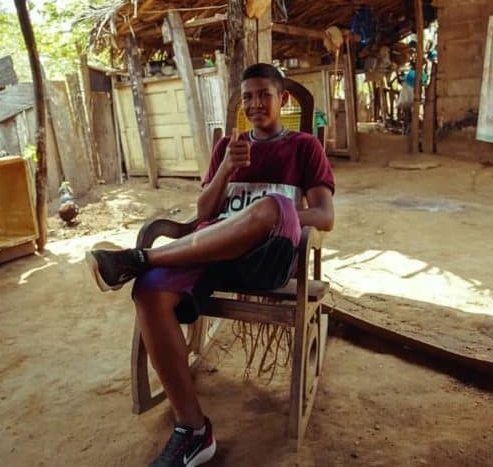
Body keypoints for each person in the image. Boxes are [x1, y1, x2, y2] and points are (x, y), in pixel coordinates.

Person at [87, 63, 335, 467]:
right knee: (148, 291)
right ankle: (194, 430)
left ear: (283, 99)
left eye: (264, 95)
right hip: (209, 251)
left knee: (274, 204)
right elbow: (203, 210)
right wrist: (225, 170)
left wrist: (268, 217)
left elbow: (324, 217)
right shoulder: (227, 147)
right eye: (248, 97)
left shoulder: (305, 146)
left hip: (266, 258)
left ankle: (139, 258)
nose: (255, 104)